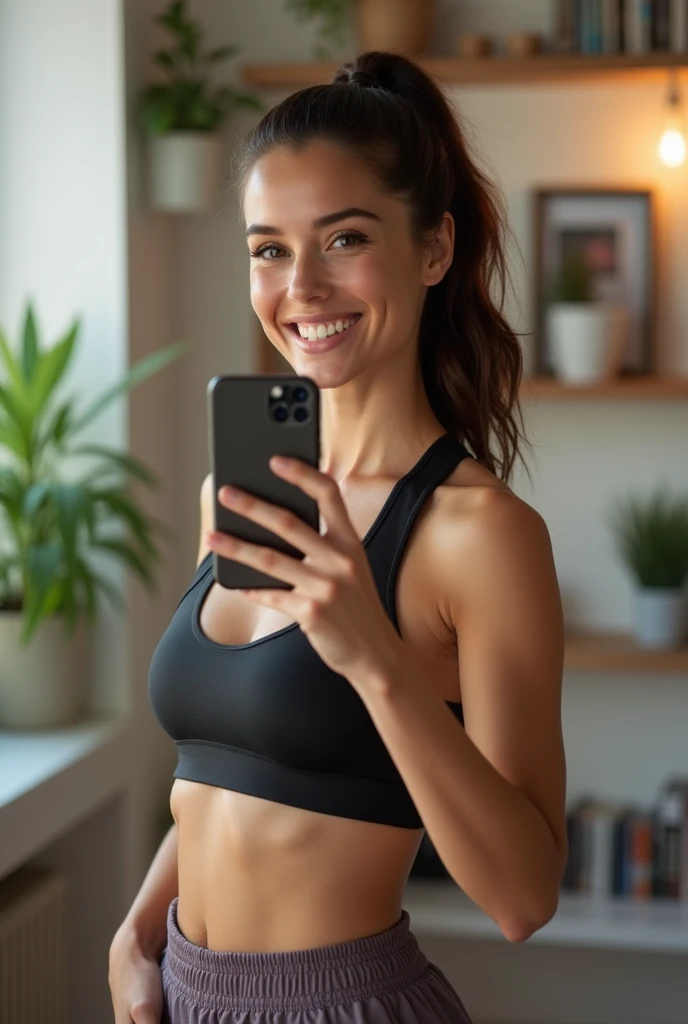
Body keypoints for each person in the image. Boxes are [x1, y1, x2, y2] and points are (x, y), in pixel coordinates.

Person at [108, 49, 567, 1024]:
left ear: (434, 250)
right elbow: (219, 764)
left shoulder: (478, 534)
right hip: (184, 995)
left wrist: (376, 660)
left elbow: (525, 897)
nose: (301, 287)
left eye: (343, 238)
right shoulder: (238, 495)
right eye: (268, 248)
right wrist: (140, 928)